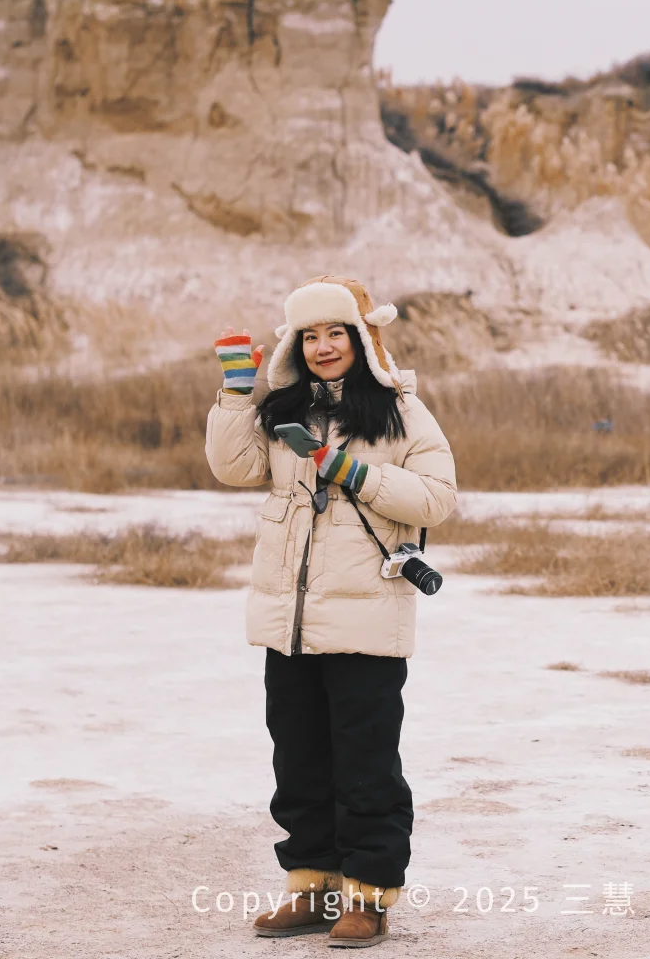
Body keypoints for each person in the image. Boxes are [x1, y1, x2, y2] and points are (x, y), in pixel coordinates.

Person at [205, 275, 457, 947]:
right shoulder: (284, 410)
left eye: (334, 333)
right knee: (300, 762)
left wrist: (346, 469)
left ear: (360, 338)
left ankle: (368, 897)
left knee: (366, 765)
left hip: (367, 622)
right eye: (308, 335)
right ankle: (311, 888)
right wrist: (236, 393)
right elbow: (231, 466)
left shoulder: (402, 410)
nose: (321, 347)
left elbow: (436, 499)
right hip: (290, 624)